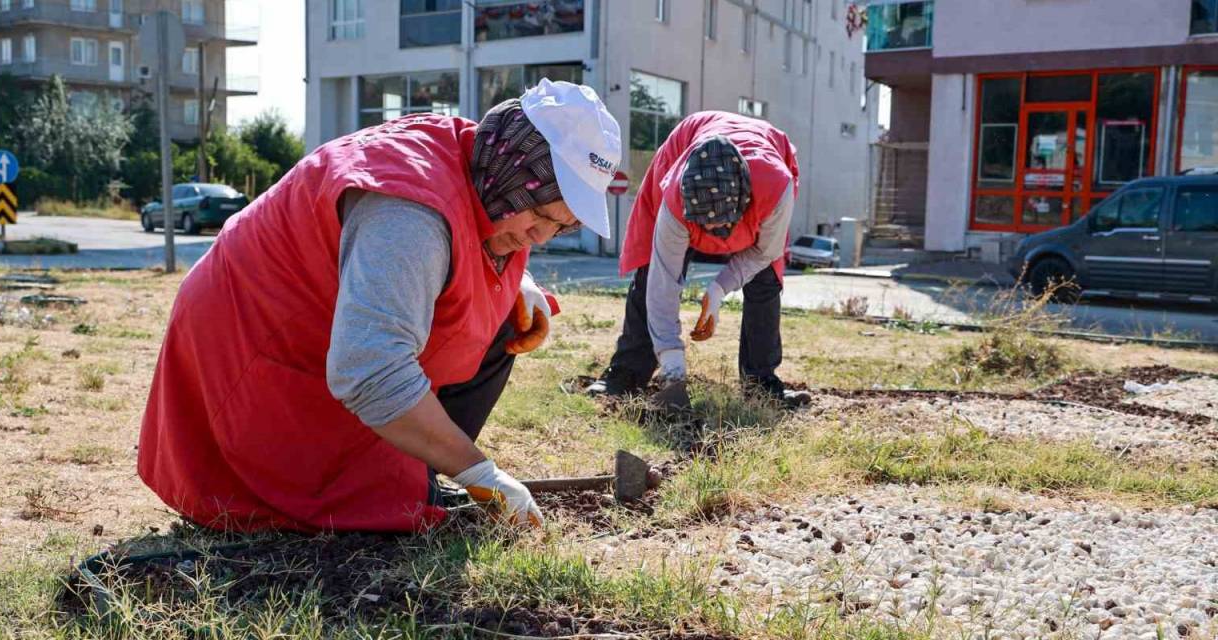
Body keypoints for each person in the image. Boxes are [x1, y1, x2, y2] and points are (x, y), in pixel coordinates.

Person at [138, 80, 622, 532]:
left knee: (503, 324)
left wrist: (521, 282)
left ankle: (420, 469)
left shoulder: (480, 163)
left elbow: (463, 234)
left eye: (560, 226)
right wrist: (480, 471)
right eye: (539, 215)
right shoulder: (408, 213)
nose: (540, 237)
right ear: (510, 170)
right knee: (351, 495)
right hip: (253, 356)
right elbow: (368, 368)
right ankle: (395, 474)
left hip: (323, 333)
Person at [586, 111, 809, 407]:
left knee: (765, 279)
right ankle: (625, 375)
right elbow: (663, 279)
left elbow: (764, 252)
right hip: (686, 144)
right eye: (705, 226)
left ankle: (762, 385)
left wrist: (718, 290)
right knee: (649, 269)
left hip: (765, 159)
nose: (714, 236)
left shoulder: (775, 188)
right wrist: (672, 360)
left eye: (722, 226)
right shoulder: (674, 198)